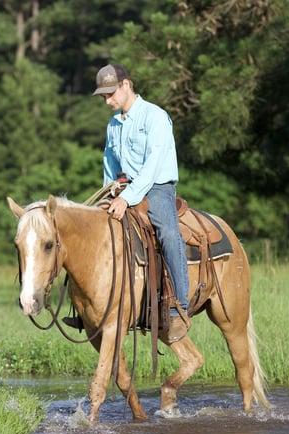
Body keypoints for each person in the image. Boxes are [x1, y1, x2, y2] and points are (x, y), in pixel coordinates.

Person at [92, 64, 190, 343]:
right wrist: (107, 195)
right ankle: (97, 306)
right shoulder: (113, 125)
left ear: (126, 85)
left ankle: (179, 306)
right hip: (123, 188)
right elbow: (109, 166)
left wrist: (127, 198)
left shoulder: (155, 117)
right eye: (103, 97)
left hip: (157, 188)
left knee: (168, 233)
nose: (107, 101)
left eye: (110, 94)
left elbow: (152, 165)